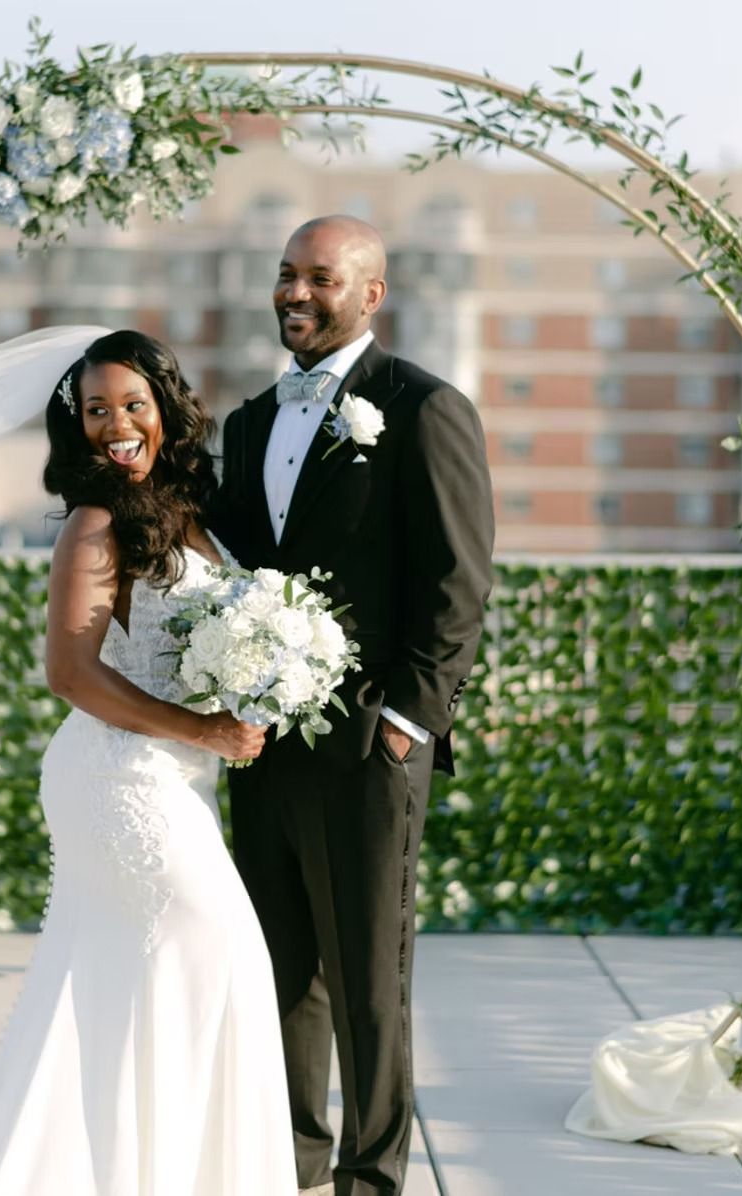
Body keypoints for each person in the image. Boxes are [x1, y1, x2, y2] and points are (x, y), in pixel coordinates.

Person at [0, 329, 297, 1195]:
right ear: (79, 424)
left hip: (176, 778)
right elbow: (68, 670)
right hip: (116, 777)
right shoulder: (95, 523)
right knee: (221, 950)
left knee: (134, 976)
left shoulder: (186, 516)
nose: (117, 425)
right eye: (97, 410)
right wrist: (198, 728)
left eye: (133, 405)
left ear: (167, 408)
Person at [213, 216, 495, 1196]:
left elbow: (457, 582)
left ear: (370, 293)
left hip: (371, 746)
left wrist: (407, 719)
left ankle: (369, 1178)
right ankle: (290, 1163)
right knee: (280, 971)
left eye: (318, 278)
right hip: (260, 740)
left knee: (369, 981)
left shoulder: (422, 408)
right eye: (284, 274)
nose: (294, 292)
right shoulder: (247, 422)